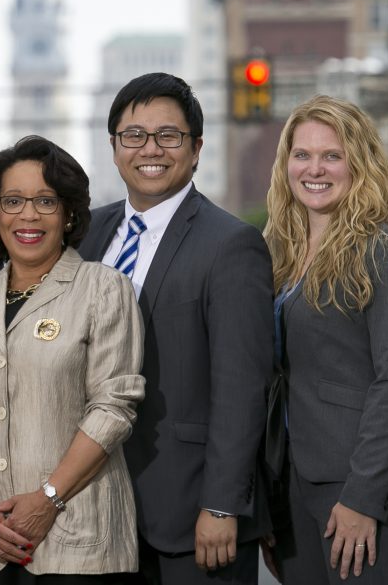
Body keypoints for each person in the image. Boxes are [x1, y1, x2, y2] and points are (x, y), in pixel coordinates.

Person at [78, 73, 274, 585]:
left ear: (195, 148)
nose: (151, 149)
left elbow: (243, 389)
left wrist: (223, 505)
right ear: (115, 146)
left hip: (191, 513)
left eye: (169, 136)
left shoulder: (232, 245)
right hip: (94, 508)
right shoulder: (85, 233)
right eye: (134, 135)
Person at [0, 135, 145, 584]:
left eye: (46, 201)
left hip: (80, 544)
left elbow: (113, 409)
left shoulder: (103, 289)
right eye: (13, 201)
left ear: (68, 214)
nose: (29, 215)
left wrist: (48, 498)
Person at [261, 95, 388, 584]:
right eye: (303, 155)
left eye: (332, 155)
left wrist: (362, 496)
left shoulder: (384, 243)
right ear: (287, 163)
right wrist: (272, 499)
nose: (315, 168)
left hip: (360, 481)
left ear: (358, 163)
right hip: (294, 483)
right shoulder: (283, 252)